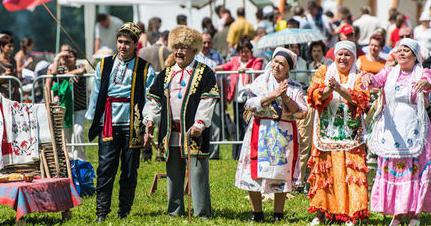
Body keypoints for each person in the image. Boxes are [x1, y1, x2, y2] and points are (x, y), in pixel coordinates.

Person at [142, 25, 219, 218]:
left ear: (194, 50)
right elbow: (153, 99)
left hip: (194, 133)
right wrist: (150, 119)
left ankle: (202, 212)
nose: (179, 51)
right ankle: (174, 211)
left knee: (198, 173)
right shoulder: (165, 74)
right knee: (173, 173)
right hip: (171, 132)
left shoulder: (205, 73)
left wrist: (200, 123)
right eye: (176, 46)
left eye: (184, 47)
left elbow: (208, 99)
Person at [85, 22, 155, 222]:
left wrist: (148, 124)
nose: (122, 46)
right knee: (105, 168)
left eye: (127, 43)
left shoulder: (144, 69)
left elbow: (150, 98)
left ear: (135, 45)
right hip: (108, 123)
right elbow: (97, 94)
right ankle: (101, 212)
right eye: (120, 41)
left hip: (133, 125)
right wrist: (94, 120)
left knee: (130, 170)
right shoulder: (104, 65)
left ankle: (124, 211)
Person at [235, 47, 307, 222]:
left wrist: (285, 98)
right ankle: (257, 213)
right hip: (260, 131)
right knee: (253, 172)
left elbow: (302, 112)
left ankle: (278, 214)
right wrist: (272, 95)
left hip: (283, 134)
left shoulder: (295, 88)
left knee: (281, 172)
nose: (277, 66)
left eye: (282, 64)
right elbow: (249, 104)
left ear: (288, 68)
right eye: (275, 61)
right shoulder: (259, 83)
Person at [364, 38, 431, 226]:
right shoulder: (390, 72)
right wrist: (368, 78)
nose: (401, 53)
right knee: (395, 171)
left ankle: (415, 214)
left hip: (414, 129)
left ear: (415, 55)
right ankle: (398, 214)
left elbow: (429, 80)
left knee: (414, 171)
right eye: (399, 50)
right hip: (393, 130)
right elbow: (375, 81)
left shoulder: (422, 72)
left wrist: (425, 83)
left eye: (406, 50)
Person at [307, 41, 370, 226]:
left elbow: (362, 99)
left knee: (351, 170)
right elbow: (313, 95)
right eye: (340, 54)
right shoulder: (323, 72)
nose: (343, 58)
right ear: (335, 55)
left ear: (353, 57)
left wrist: (340, 89)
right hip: (327, 131)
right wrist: (328, 89)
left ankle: (352, 214)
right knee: (325, 170)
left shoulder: (359, 76)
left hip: (350, 132)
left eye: (347, 55)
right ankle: (321, 212)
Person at [215, 37, 263, 160]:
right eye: (241, 51)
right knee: (237, 127)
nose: (244, 54)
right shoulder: (235, 61)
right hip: (237, 100)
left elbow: (256, 71)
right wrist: (212, 69)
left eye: (246, 51)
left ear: (251, 52)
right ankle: (236, 155)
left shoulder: (257, 60)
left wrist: (245, 70)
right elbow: (224, 67)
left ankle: (249, 154)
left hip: (250, 100)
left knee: (249, 127)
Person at [0, 34, 19, 100]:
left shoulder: (13, 61)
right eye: (9, 46)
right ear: (2, 47)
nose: (12, 48)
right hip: (2, 97)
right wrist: (4, 75)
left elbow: (16, 79)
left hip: (14, 97)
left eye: (12, 46)